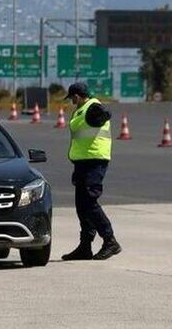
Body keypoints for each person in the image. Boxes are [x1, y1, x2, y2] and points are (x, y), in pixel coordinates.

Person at [61, 82, 122, 261]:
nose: (71, 101)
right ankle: (85, 246)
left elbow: (103, 114)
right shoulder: (82, 110)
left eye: (72, 98)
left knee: (89, 201)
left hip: (94, 161)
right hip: (82, 162)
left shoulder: (92, 107)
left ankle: (110, 241)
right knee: (81, 205)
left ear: (78, 96)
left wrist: (103, 114)